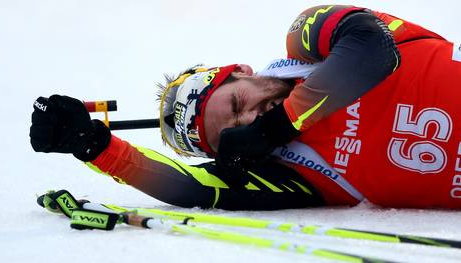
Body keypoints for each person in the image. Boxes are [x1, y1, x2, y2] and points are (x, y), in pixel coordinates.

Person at [30, 5, 461, 210]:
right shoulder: (290, 172)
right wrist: (97, 148)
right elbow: (191, 189)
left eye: (237, 101)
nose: (251, 117)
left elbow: (372, 52)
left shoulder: (308, 38)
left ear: (241, 71)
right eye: (233, 129)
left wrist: (277, 124)